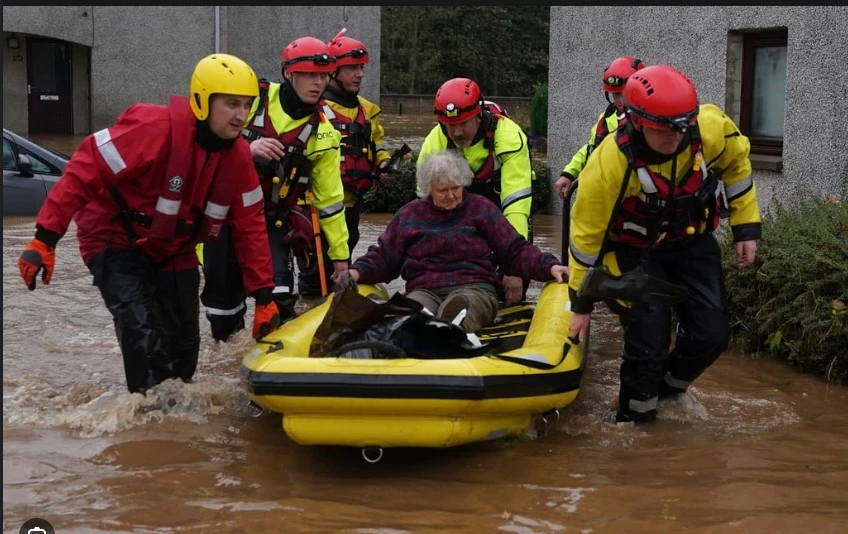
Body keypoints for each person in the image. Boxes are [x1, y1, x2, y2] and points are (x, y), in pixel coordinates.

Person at [17, 53, 281, 394]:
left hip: (174, 248)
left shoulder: (239, 159)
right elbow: (84, 169)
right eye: (231, 104)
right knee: (141, 333)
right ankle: (145, 415)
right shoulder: (153, 129)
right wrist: (44, 239)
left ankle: (175, 423)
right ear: (203, 100)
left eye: (247, 106)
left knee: (185, 348)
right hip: (114, 239)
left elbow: (250, 228)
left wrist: (263, 297)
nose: (241, 116)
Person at [566, 64, 762, 424]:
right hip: (631, 253)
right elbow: (585, 237)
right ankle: (635, 424)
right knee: (649, 341)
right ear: (638, 122)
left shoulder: (709, 128)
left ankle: (668, 391)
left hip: (690, 243)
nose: (677, 137)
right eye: (666, 130)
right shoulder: (610, 162)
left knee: (712, 335)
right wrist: (580, 303)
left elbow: (737, 165)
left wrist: (746, 227)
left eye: (683, 127)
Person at [199, 36, 348, 342]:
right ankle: (227, 365)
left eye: (323, 76)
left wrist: (341, 258)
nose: (318, 83)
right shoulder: (251, 101)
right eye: (309, 74)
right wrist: (247, 146)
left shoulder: (325, 132)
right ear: (289, 74)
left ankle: (271, 359)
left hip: (274, 222)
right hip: (224, 220)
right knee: (223, 313)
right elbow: (204, 143)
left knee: (279, 300)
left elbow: (330, 201)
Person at [336, 149, 568, 334]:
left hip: (475, 288)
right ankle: (407, 325)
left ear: (463, 183)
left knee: (458, 308)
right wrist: (356, 272)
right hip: (425, 289)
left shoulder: (481, 209)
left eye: (455, 188)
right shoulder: (409, 216)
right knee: (415, 310)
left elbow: (514, 250)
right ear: (428, 190)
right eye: (443, 190)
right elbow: (385, 256)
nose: (451, 196)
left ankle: (447, 330)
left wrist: (550, 266)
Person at [418, 77, 535, 307]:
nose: (457, 132)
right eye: (450, 125)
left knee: (513, 284)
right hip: (460, 214)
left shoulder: (509, 137)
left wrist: (514, 268)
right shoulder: (435, 141)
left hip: (503, 212)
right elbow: (423, 211)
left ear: (479, 115)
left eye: (464, 123)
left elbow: (516, 207)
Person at [297, 30, 392, 300]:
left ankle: (335, 308)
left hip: (351, 203)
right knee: (315, 272)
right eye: (351, 68)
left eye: (360, 68)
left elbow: (377, 142)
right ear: (334, 70)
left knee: (344, 263)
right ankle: (310, 310)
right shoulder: (314, 107)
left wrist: (383, 163)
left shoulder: (366, 110)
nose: (359, 74)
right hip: (315, 206)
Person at [555, 56, 645, 200]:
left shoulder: (649, 121)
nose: (620, 100)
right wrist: (568, 174)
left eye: (623, 93)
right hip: (606, 195)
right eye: (616, 94)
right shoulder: (606, 119)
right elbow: (591, 148)